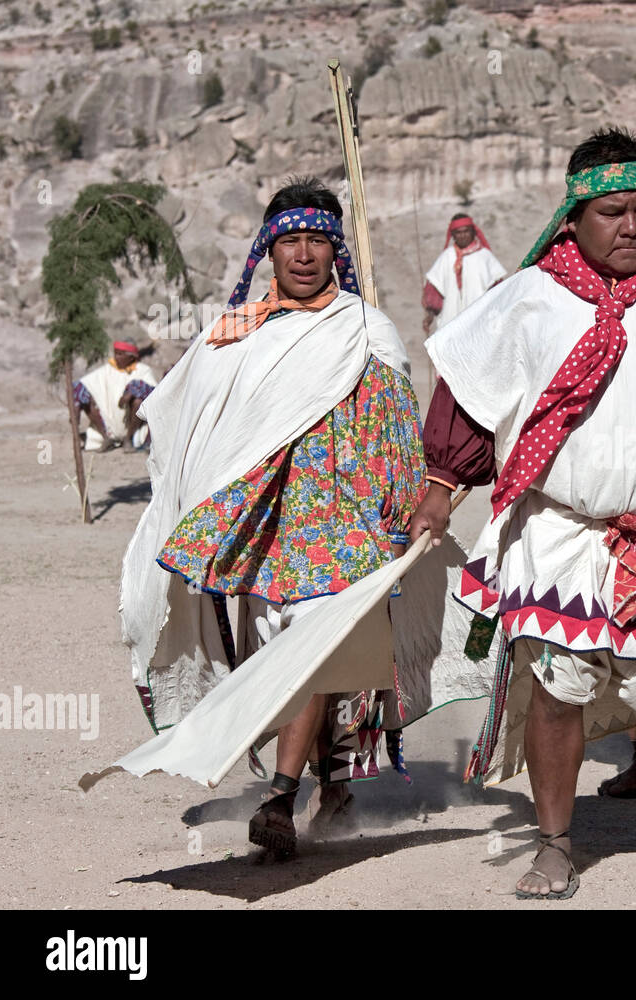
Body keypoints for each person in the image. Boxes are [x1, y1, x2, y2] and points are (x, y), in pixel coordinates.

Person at [410, 126, 636, 899]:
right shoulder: (528, 299)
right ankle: (555, 842)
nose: (633, 225)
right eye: (612, 211)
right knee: (558, 688)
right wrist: (443, 484)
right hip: (559, 535)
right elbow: (471, 402)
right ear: (573, 216)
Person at [120, 176, 427, 855]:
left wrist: (397, 510)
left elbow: (396, 429)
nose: (305, 254)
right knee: (283, 661)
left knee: (306, 656)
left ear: (337, 249)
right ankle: (334, 780)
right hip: (261, 530)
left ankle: (281, 801)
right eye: (291, 240)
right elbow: (191, 424)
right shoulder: (236, 335)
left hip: (343, 526)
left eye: (319, 240)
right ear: (268, 248)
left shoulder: (365, 327)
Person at [422, 213, 508, 334]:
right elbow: (434, 292)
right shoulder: (447, 257)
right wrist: (429, 315)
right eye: (458, 232)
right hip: (450, 321)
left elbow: (498, 291)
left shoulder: (485, 257)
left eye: (466, 231)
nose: (462, 236)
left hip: (480, 321)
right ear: (452, 235)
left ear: (473, 232)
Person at [73, 339, 160, 451]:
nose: (116, 357)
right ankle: (106, 438)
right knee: (83, 395)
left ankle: (128, 438)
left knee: (138, 401)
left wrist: (132, 391)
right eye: (116, 353)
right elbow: (84, 384)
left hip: (132, 420)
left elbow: (154, 393)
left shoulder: (143, 370)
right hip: (107, 418)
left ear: (132, 356)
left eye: (120, 354)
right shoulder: (107, 370)